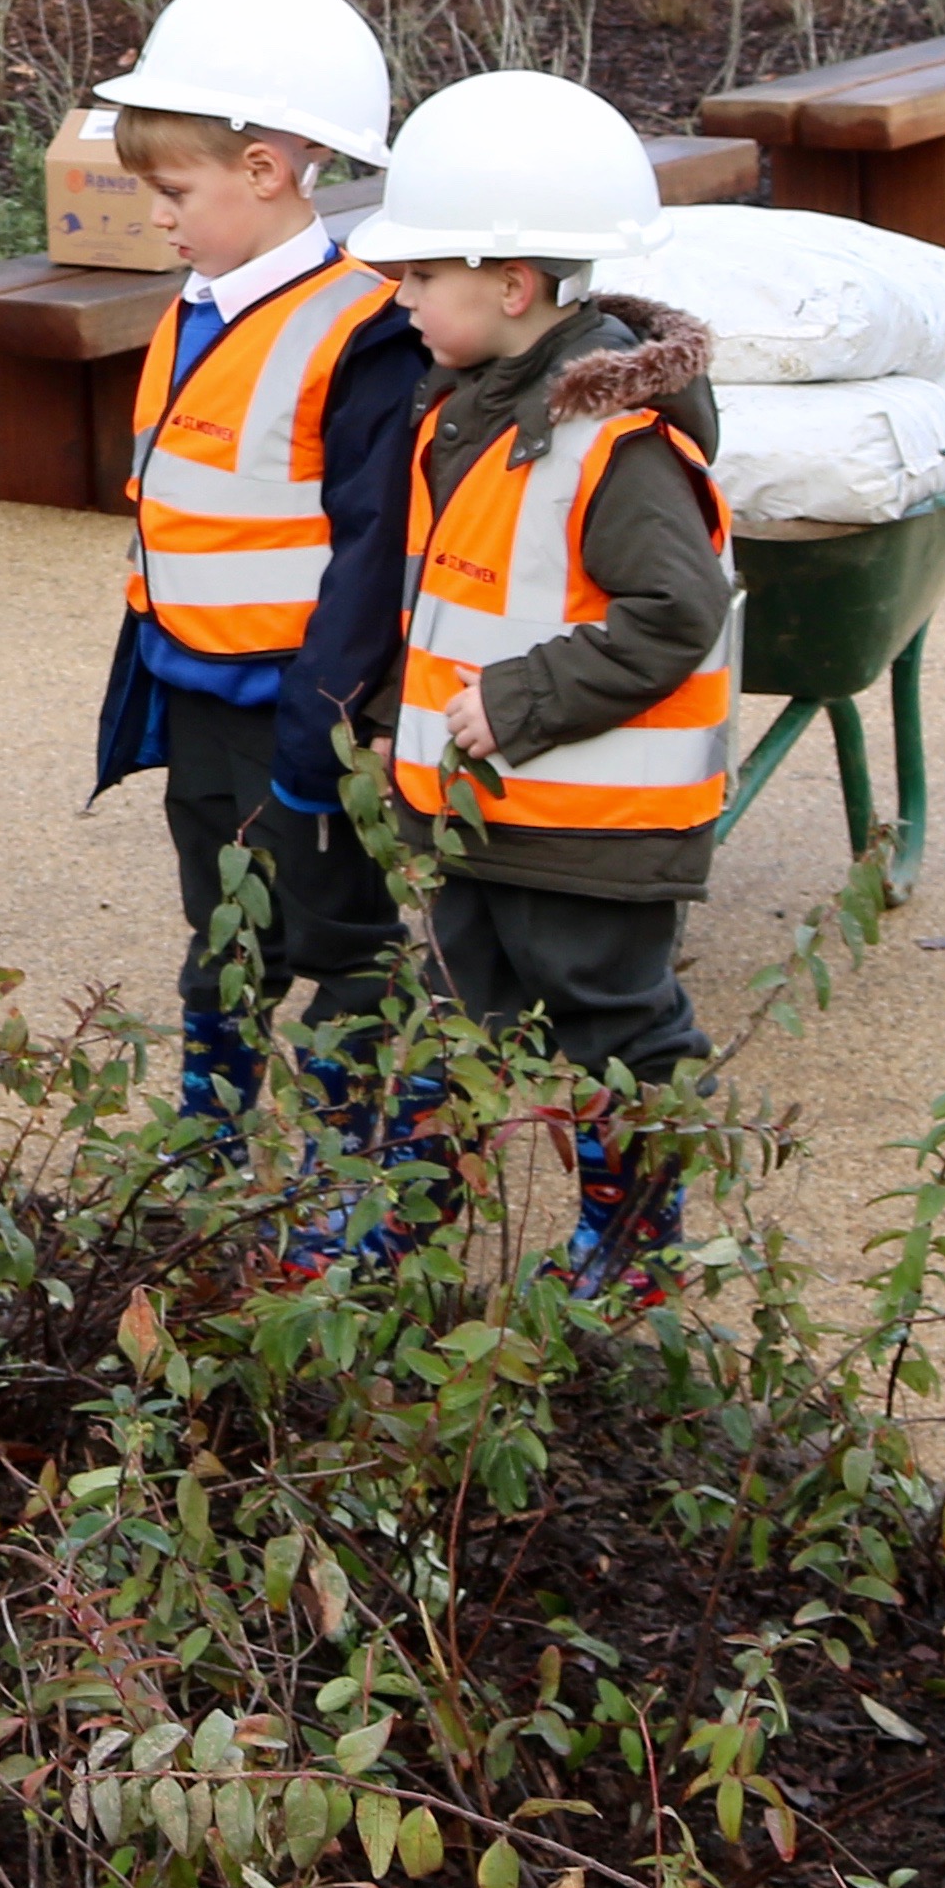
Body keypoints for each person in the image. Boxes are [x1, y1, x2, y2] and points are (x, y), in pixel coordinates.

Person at [345, 71, 737, 1294]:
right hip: (486, 811)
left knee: (614, 1026)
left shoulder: (613, 443)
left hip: (589, 824)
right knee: (450, 1010)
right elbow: (462, 594)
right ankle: (409, 1220)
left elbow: (676, 608)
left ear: (510, 287)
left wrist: (517, 702)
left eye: (419, 276)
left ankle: (632, 1252)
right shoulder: (476, 408)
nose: (398, 298)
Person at [77, 0, 423, 1160]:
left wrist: (326, 727)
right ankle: (208, 1145)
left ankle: (347, 1175)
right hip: (198, 688)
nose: (158, 215)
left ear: (267, 170)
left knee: (339, 942)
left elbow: (374, 556)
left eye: (173, 190)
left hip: (297, 704)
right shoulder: (199, 301)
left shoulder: (360, 329)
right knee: (219, 932)